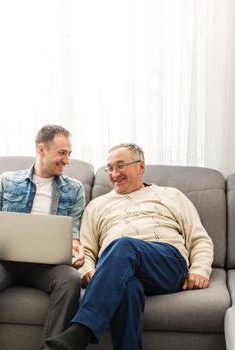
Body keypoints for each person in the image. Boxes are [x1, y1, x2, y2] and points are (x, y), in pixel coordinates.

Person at [45, 143, 214, 350]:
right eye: (110, 168)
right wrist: (88, 271)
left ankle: (81, 330)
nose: (114, 173)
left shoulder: (171, 195)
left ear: (141, 166)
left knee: (124, 245)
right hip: (121, 270)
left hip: (166, 263)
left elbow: (199, 238)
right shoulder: (97, 206)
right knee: (127, 288)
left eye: (120, 166)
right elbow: (86, 250)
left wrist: (199, 270)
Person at [0, 124, 87, 350]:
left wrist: (76, 248)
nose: (67, 160)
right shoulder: (7, 181)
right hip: (4, 260)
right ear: (42, 150)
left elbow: (73, 235)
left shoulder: (75, 189)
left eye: (69, 153)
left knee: (70, 280)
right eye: (62, 153)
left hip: (47, 266)